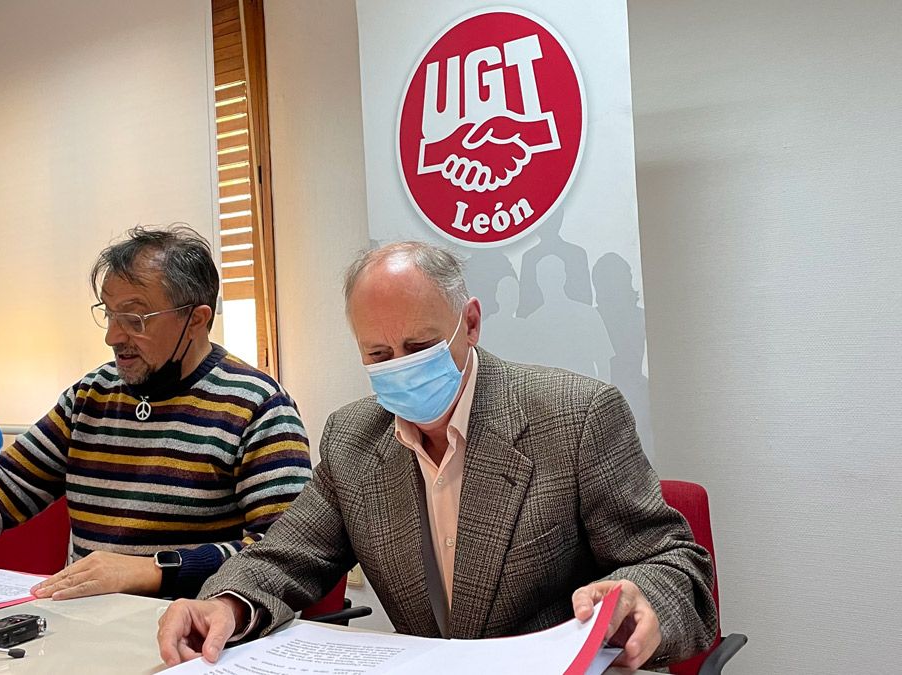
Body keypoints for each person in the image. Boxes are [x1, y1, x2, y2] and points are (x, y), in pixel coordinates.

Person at [157, 242, 716, 670]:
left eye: (420, 347)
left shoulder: (576, 416)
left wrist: (644, 599)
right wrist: (226, 605)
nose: (400, 365)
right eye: (378, 353)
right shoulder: (354, 438)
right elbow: (285, 557)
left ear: (469, 323)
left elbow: (675, 564)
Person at [0, 226, 313, 600]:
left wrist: (151, 570)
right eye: (109, 314)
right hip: (84, 625)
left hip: (196, 633)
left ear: (196, 319)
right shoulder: (90, 396)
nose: (113, 337)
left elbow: (282, 554)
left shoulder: (258, 407)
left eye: (134, 319)